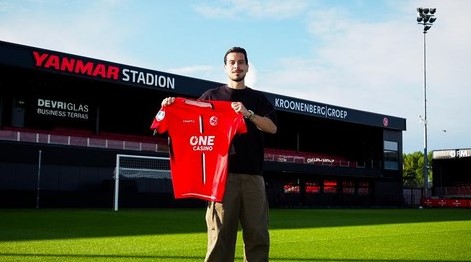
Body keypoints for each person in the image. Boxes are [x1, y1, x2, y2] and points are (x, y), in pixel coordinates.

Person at [161, 47, 277, 262]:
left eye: (241, 62)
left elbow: (272, 127)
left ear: (247, 67)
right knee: (220, 235)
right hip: (221, 178)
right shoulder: (211, 96)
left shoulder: (258, 99)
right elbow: (190, 119)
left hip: (253, 176)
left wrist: (248, 114)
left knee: (258, 234)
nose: (237, 66)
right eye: (232, 62)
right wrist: (171, 106)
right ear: (225, 67)